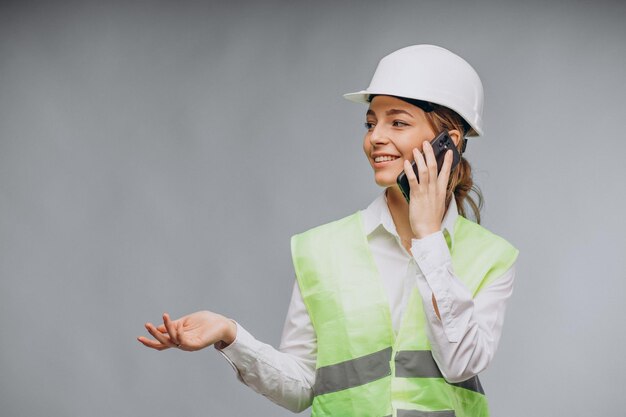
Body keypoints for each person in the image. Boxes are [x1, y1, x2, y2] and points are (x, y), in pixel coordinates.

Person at [138, 44, 519, 417]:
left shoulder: (492, 258)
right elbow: (303, 387)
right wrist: (230, 335)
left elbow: (460, 364)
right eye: (371, 123)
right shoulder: (320, 249)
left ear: (448, 144)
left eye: (397, 122)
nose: (375, 138)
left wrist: (429, 239)